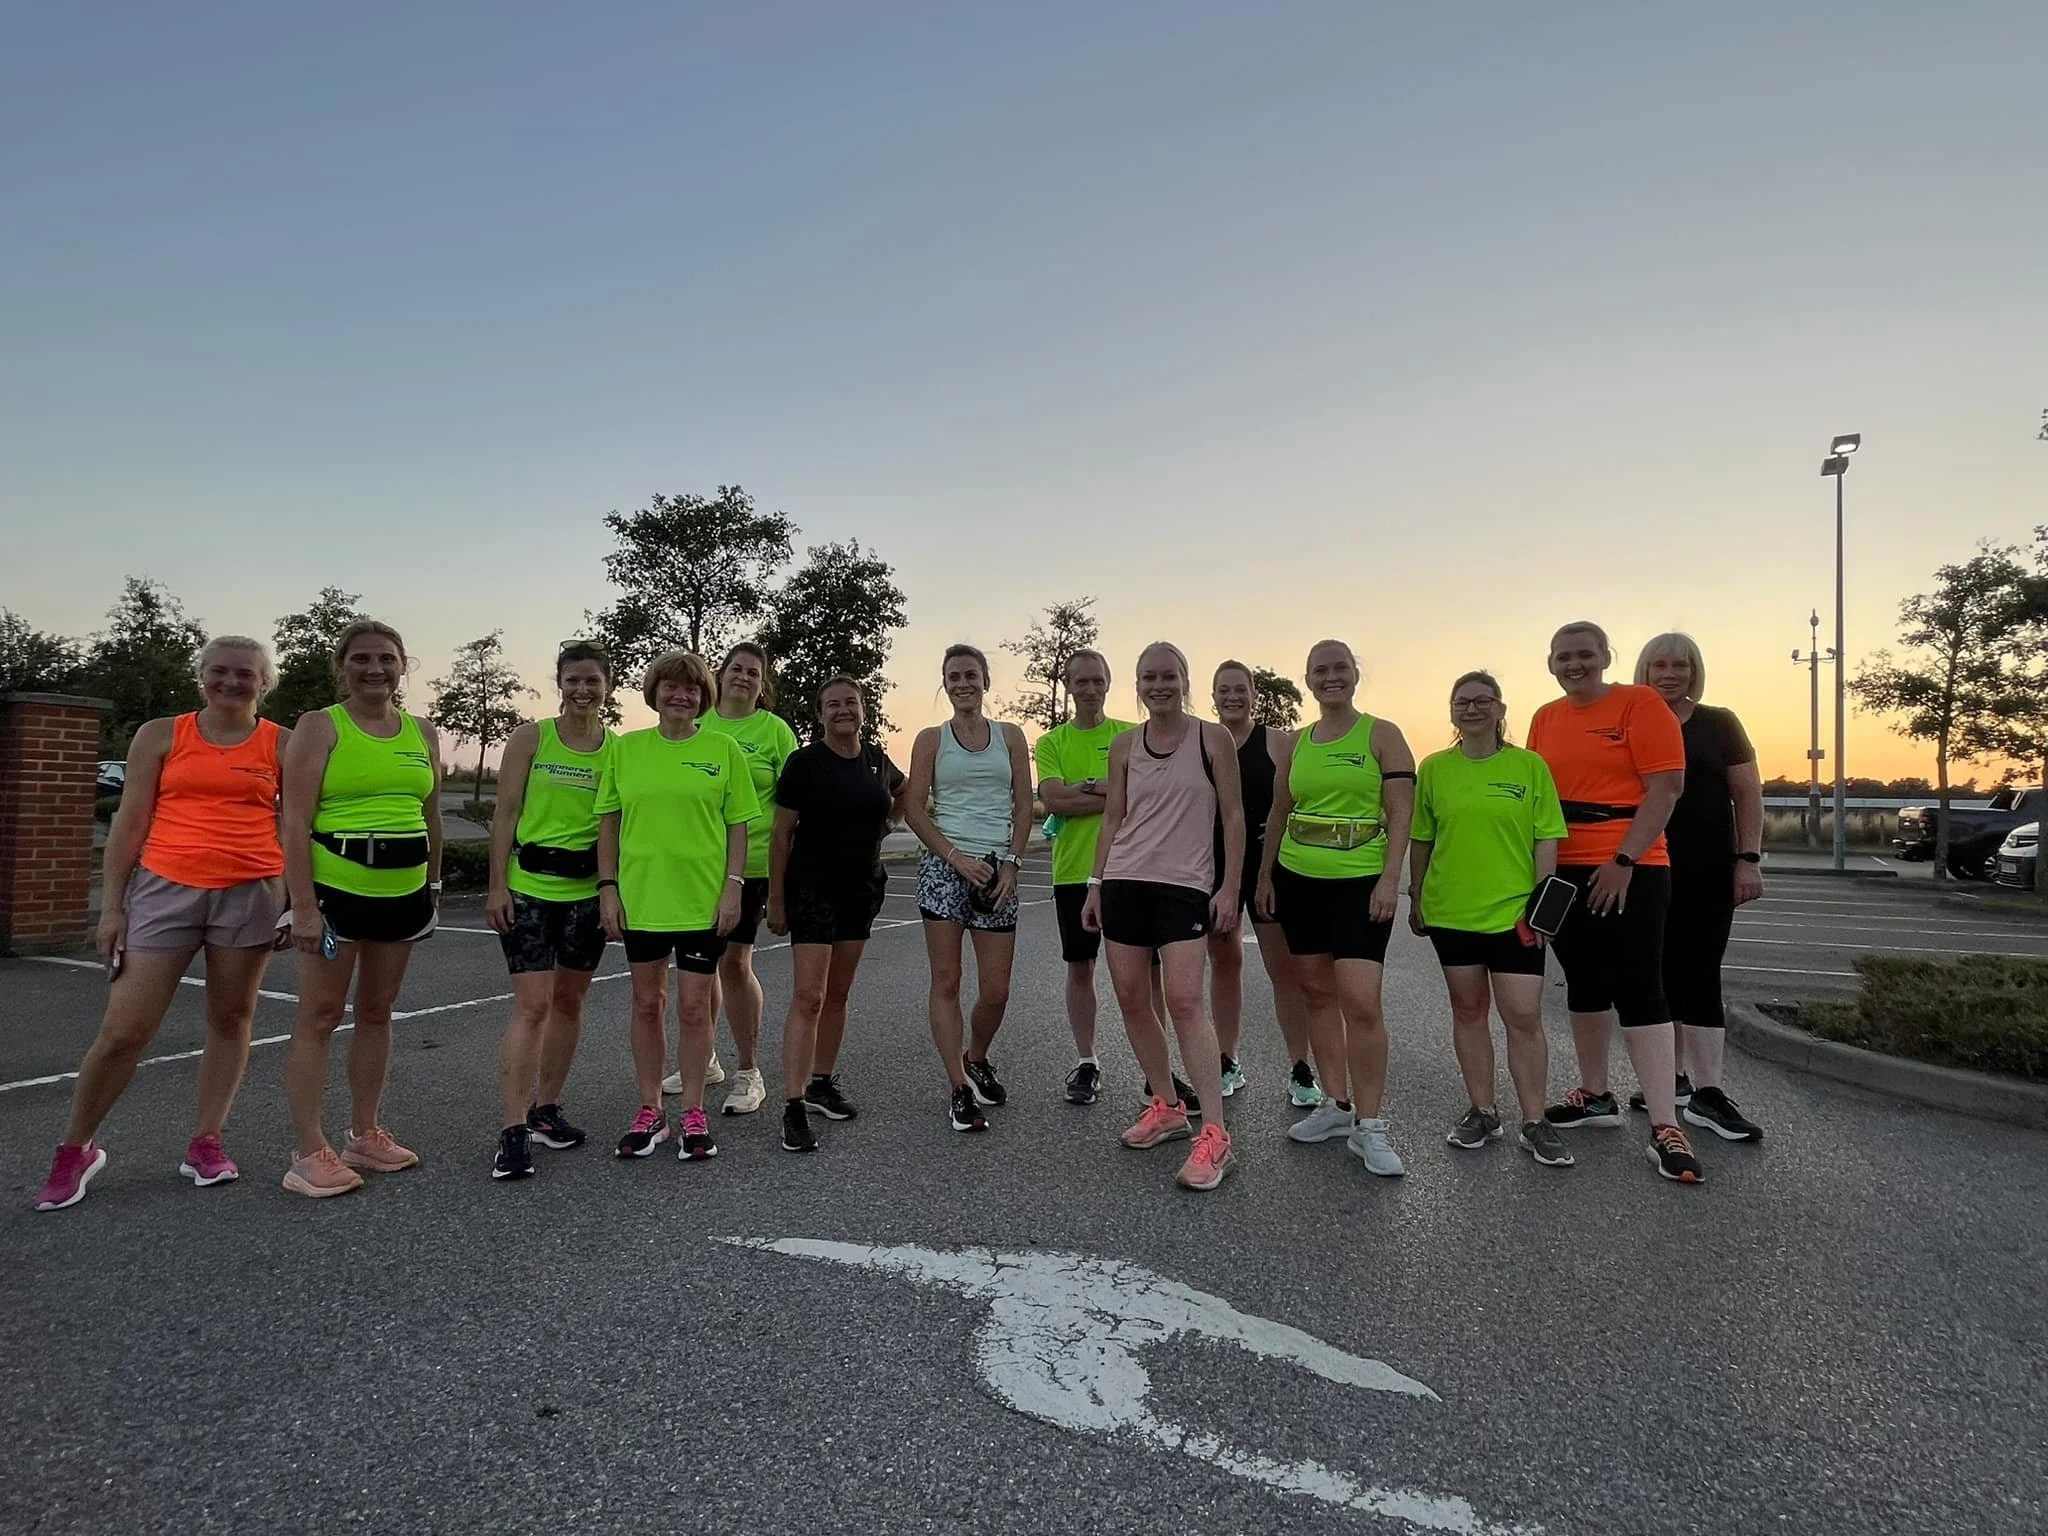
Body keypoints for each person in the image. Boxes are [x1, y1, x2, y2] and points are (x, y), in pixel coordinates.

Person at [36, 638, 290, 1210]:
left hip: (251, 892)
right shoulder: (160, 734)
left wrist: (296, 902)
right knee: (125, 1030)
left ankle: (205, 1141)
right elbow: (129, 824)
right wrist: (112, 908)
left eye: (244, 674)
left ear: (263, 682)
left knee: (231, 1017)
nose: (230, 682)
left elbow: (294, 827)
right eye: (218, 672)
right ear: (200, 676)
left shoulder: (283, 744)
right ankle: (75, 1148)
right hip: (163, 890)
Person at [1527, 621, 1704, 1184]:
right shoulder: (1545, 718)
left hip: (1632, 863)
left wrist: (1624, 861)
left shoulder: (1640, 704)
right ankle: (1595, 1094)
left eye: (1585, 655)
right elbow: (1537, 799)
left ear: (1606, 656)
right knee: (1582, 982)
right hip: (1564, 864)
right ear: (1550, 663)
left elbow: (1666, 789)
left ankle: (1664, 1123)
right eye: (1563, 657)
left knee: (1639, 985)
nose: (1574, 665)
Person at [280, 620, 443, 1198]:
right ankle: (307, 1151)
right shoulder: (320, 726)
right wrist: (301, 905)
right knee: (320, 1014)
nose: (375, 669)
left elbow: (431, 815)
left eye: (387, 659)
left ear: (404, 666)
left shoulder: (421, 730)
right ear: (342, 666)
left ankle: (364, 1134)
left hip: (403, 895)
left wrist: (436, 885)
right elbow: (294, 819)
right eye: (362, 659)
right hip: (336, 893)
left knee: (378, 1010)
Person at [1083, 642, 1242, 1191]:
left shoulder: (1211, 738)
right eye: (1149, 677)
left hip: (1185, 886)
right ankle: (1168, 1106)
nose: (1159, 685)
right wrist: (1095, 884)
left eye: (1168, 676)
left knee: (1183, 1001)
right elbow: (1112, 817)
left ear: (1184, 679)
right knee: (1130, 996)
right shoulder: (1125, 744)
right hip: (1126, 880)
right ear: (1137, 683)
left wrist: (1230, 887)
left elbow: (1233, 814)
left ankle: (1215, 1135)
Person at [1256, 640, 1414, 1176]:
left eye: (1340, 668)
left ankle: (1371, 1125)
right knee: (1317, 995)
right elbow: (1280, 813)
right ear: (1308, 679)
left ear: (1354, 675)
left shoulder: (1383, 735)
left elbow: (1400, 813)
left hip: (1360, 883)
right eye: (1320, 671)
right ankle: (1337, 1105)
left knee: (1362, 1003)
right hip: (1298, 882)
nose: (1331, 677)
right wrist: (1264, 877)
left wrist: (1391, 881)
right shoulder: (1297, 743)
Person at [1407, 671, 1574, 1168]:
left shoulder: (1529, 767)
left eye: (1483, 701)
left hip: (1515, 916)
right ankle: (1483, 1110)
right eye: (1462, 701)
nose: (1473, 709)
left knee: (1523, 1016)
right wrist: (1416, 897)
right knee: (1468, 1011)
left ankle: (1535, 1121)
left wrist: (1542, 907)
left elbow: (1548, 836)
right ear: (1452, 711)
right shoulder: (1435, 768)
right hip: (1450, 912)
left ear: (1501, 709)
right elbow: (1422, 837)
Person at [597, 651, 758, 1163]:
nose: (680, 695)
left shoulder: (723, 748)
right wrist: (608, 888)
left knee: (693, 1007)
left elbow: (738, 825)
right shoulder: (626, 750)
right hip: (642, 899)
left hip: (702, 901)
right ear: (655, 692)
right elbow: (608, 822)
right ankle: (650, 1111)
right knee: (647, 1004)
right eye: (670, 686)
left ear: (702, 697)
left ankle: (693, 1112)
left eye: (691, 689)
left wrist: (733, 886)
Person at [484, 642, 614, 1180]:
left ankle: (546, 1109)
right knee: (532, 1007)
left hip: (586, 893)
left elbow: (616, 825)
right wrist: (497, 886)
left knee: (569, 1003)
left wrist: (613, 891)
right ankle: (513, 1128)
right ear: (558, 683)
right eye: (573, 680)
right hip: (531, 889)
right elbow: (506, 812)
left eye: (592, 681)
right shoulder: (530, 737)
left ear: (607, 685)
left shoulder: (616, 750)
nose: (582, 690)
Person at [765, 676, 909, 1152]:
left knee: (838, 995)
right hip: (812, 891)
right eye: (833, 705)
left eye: (851, 702)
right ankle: (792, 1105)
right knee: (809, 996)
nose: (843, 710)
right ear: (820, 714)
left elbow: (906, 792)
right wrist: (777, 899)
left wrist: (888, 825)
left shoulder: (876, 761)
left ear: (863, 710)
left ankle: (820, 1082)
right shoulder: (804, 764)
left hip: (862, 891)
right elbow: (781, 834)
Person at [1635, 632, 1765, 1142]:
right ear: (1644, 671)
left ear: (1694, 672)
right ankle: (1668, 1081)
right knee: (1658, 975)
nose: (1670, 675)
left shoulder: (1719, 724)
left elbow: (1747, 792)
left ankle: (1710, 1094)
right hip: (1647, 865)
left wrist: (1748, 860)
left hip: (1709, 866)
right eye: (1660, 665)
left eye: (1680, 666)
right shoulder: (1633, 723)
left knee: (1701, 971)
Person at [903, 643, 1032, 1134]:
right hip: (945, 868)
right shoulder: (930, 740)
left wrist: (1013, 865)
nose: (963, 684)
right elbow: (915, 809)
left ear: (985, 681)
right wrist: (955, 857)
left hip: (999, 870)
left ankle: (976, 1057)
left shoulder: (1012, 737)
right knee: (948, 980)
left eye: (971, 675)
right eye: (953, 677)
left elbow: (1024, 804)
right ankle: (958, 1087)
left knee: (996, 990)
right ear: (944, 683)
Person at [691, 641, 799, 1118]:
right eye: (736, 669)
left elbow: (794, 805)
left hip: (753, 865)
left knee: (735, 963)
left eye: (753, 672)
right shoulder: (698, 723)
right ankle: (706, 1060)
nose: (743, 677)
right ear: (721, 674)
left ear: (763, 684)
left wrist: (784, 876)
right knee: (700, 966)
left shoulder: (774, 732)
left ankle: (749, 1071)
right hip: (697, 866)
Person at [1210, 660, 1320, 1108]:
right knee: (1225, 965)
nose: (1232, 697)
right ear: (1212, 695)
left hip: (1268, 870)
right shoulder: (1202, 741)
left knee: (1285, 972)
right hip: (1215, 868)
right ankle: (1226, 1060)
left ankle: (1300, 1067)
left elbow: (1297, 803)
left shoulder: (1278, 742)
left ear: (1254, 694)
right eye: (1224, 690)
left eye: (1240, 689)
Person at [1033, 649, 1137, 1104]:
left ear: (1109, 683)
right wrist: (1111, 791)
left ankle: (1157, 1072)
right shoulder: (1051, 742)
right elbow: (1054, 801)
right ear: (1070, 686)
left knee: (1141, 975)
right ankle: (1087, 1061)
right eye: (1081, 682)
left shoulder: (1130, 736)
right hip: (1073, 872)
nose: (1090, 689)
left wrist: (1087, 788)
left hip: (1131, 871)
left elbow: (1142, 795)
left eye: (1098, 680)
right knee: (1081, 968)